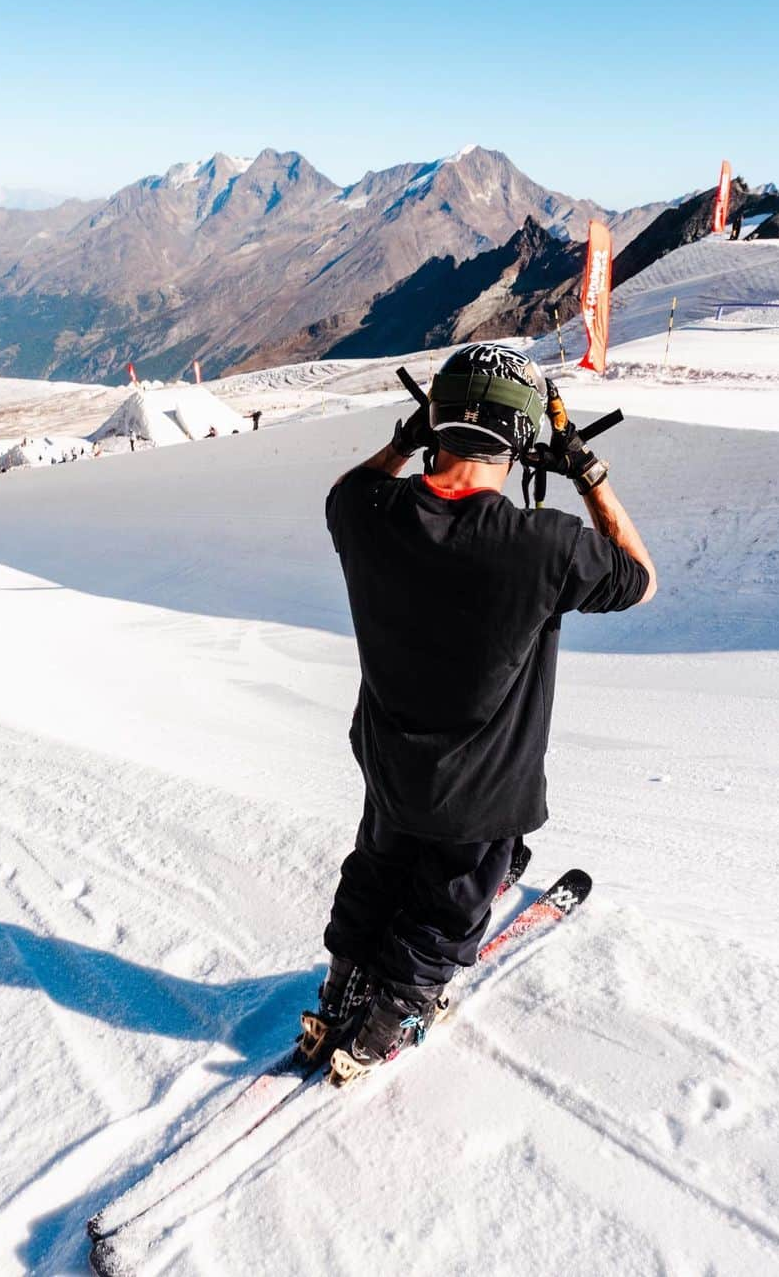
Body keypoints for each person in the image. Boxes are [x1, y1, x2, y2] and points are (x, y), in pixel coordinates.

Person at [304, 342, 657, 1081]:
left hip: (391, 767)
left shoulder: (367, 513)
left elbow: (346, 490)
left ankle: (341, 988)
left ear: (432, 420)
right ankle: (388, 1018)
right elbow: (641, 579)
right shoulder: (548, 546)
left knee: (378, 864)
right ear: (523, 438)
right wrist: (587, 472)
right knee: (446, 909)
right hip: (482, 793)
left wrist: (405, 441)